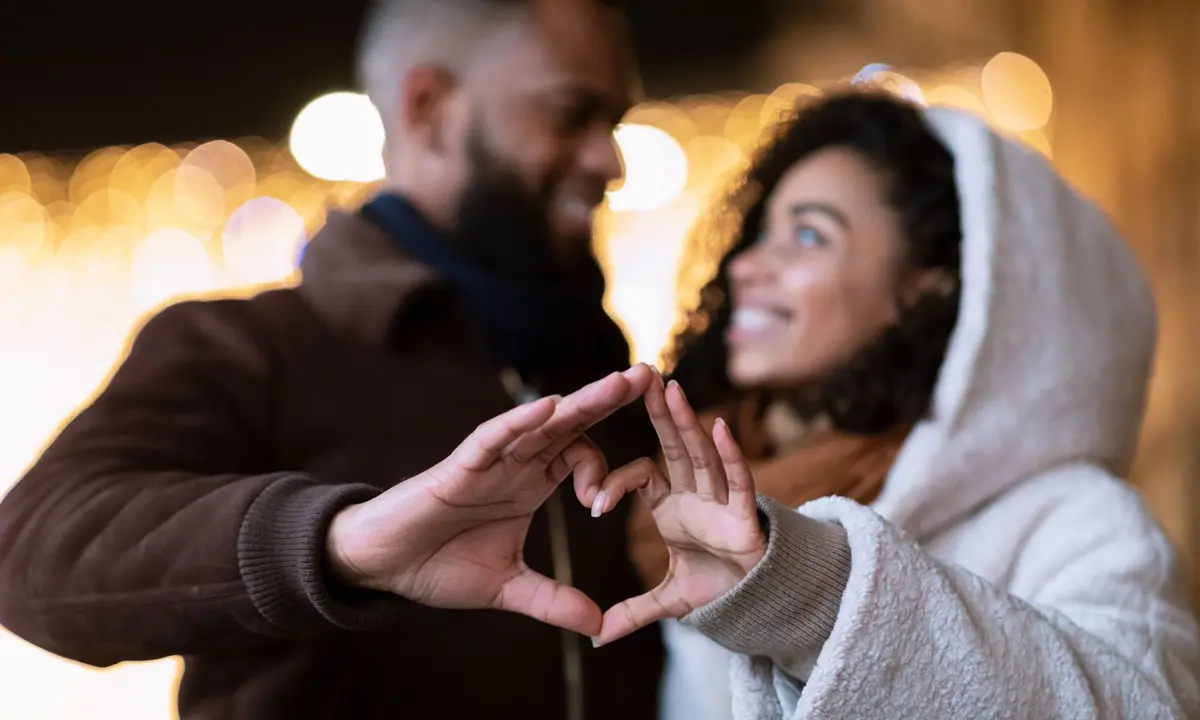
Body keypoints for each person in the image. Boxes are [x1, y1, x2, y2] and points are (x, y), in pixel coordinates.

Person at [0, 0, 666, 718]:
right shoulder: (250, 348)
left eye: (616, 123)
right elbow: (30, 557)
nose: (610, 160)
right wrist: (340, 544)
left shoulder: (597, 365)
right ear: (429, 107)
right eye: (571, 114)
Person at [590, 93, 1200, 718]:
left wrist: (810, 598)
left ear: (924, 289)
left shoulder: (1078, 520)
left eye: (808, 234)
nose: (747, 265)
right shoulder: (680, 508)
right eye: (759, 232)